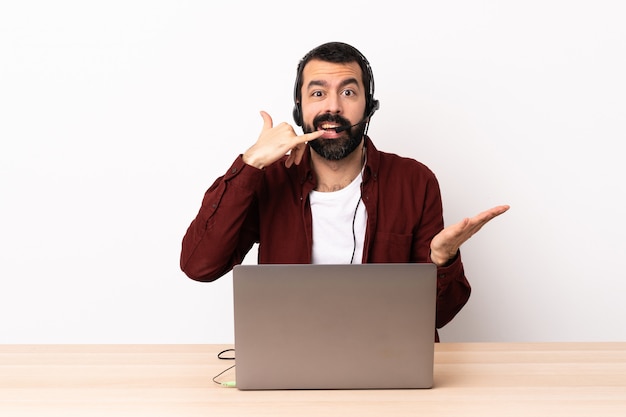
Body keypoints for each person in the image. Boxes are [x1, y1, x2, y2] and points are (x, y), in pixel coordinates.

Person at [180, 41, 509, 339]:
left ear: (369, 107)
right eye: (318, 93)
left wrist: (441, 260)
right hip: (289, 358)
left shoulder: (414, 181)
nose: (333, 108)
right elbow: (200, 266)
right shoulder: (269, 180)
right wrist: (250, 163)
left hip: (387, 358)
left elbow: (439, 316)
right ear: (299, 108)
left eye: (348, 93)